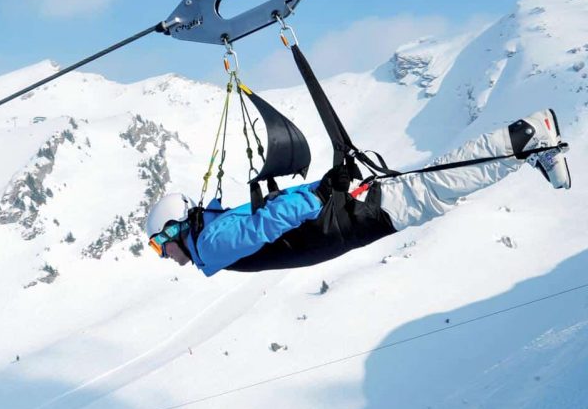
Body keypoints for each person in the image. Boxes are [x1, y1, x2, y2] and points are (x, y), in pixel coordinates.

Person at [145, 109, 571, 276]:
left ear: (174, 228)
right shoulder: (212, 234)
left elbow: (267, 222)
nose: (165, 256)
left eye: (160, 245)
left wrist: (320, 196)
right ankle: (525, 144)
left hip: (342, 221)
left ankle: (528, 137)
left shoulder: (211, 244)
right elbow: (269, 217)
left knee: (433, 190)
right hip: (338, 214)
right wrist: (327, 189)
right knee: (431, 185)